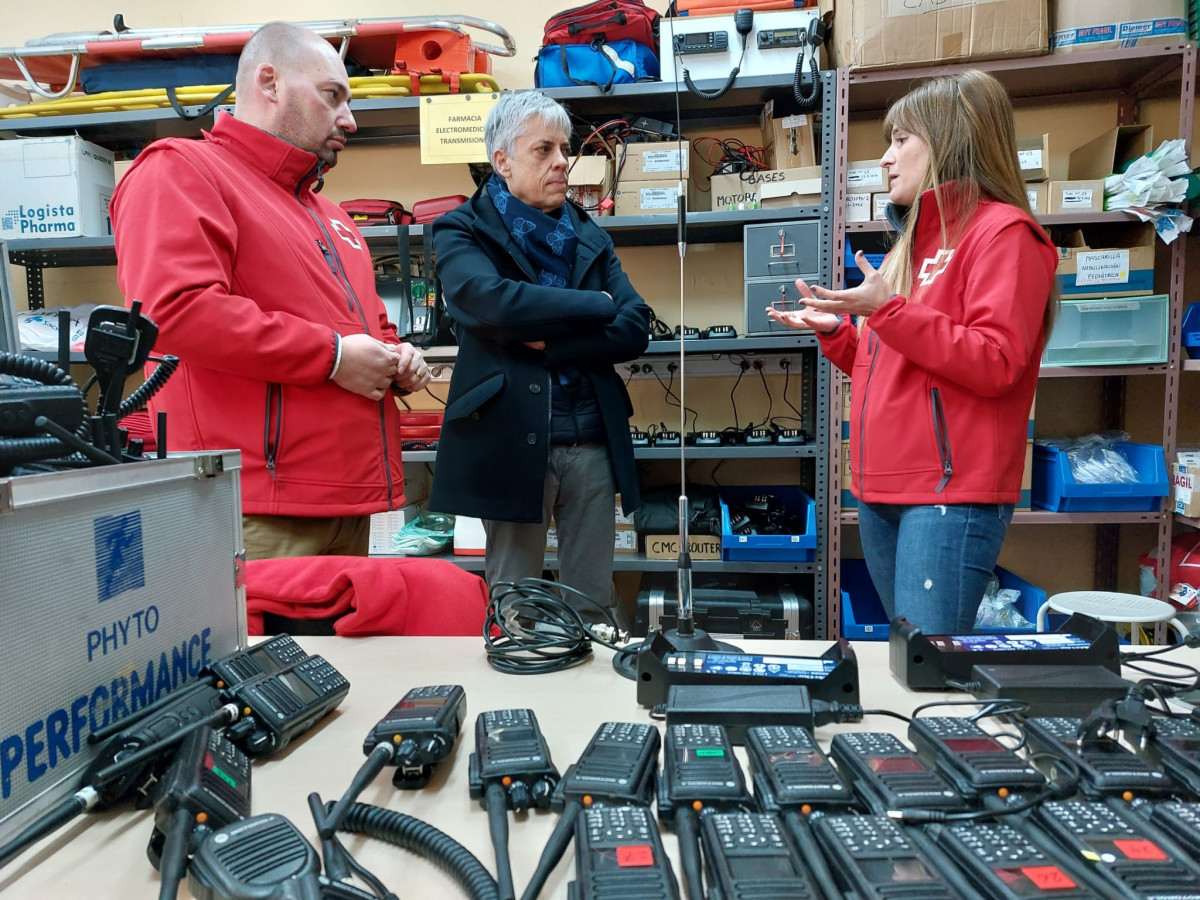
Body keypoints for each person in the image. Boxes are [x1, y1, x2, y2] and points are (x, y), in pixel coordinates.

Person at [110, 22, 430, 561]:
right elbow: (175, 310)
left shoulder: (332, 216)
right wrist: (331, 357)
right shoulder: (182, 170)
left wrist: (398, 359)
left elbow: (370, 327)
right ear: (269, 82)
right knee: (260, 649)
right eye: (333, 95)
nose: (349, 119)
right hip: (256, 512)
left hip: (349, 507)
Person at [768, 70, 1058, 633]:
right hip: (884, 489)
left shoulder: (1005, 235)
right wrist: (838, 335)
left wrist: (888, 312)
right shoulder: (915, 245)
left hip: (949, 493)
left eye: (901, 141)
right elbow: (901, 370)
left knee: (929, 670)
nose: (885, 159)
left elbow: (996, 361)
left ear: (952, 140)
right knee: (910, 660)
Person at [430, 91, 650, 623]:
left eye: (565, 148)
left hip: (593, 437)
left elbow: (635, 327)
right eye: (543, 149)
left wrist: (554, 341)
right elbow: (491, 304)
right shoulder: (461, 228)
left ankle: (588, 703)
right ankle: (517, 699)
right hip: (508, 437)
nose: (562, 162)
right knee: (514, 605)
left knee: (593, 604)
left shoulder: (587, 232)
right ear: (502, 160)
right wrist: (594, 305)